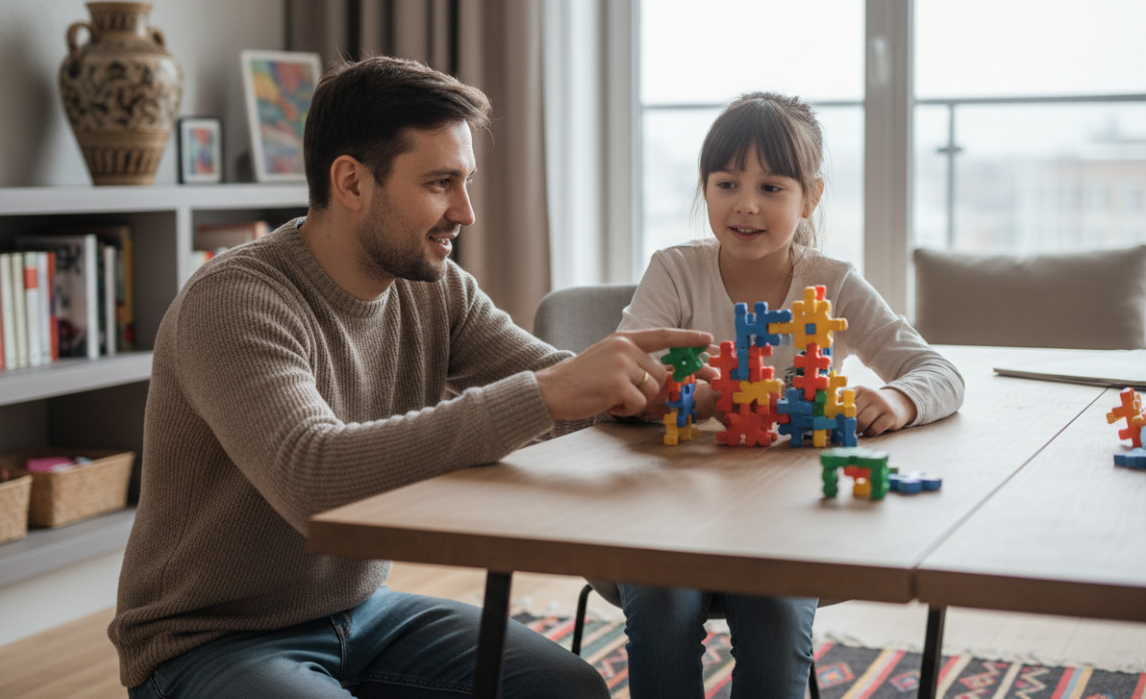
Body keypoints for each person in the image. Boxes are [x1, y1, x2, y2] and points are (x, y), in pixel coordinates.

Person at [108, 55, 711, 699]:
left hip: (364, 612)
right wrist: (551, 393)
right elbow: (311, 478)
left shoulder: (436, 288)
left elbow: (557, 385)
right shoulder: (235, 300)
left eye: (466, 181)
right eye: (440, 183)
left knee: (567, 689)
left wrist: (651, 393)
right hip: (208, 640)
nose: (466, 212)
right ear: (351, 182)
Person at [614, 91, 965, 699]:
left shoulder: (833, 283)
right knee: (660, 602)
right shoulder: (673, 269)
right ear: (706, 189)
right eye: (726, 184)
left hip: (787, 510)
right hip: (672, 501)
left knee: (775, 614)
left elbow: (938, 371)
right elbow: (621, 374)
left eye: (772, 187)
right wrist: (696, 397)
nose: (745, 205)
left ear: (811, 197)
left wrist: (899, 400)